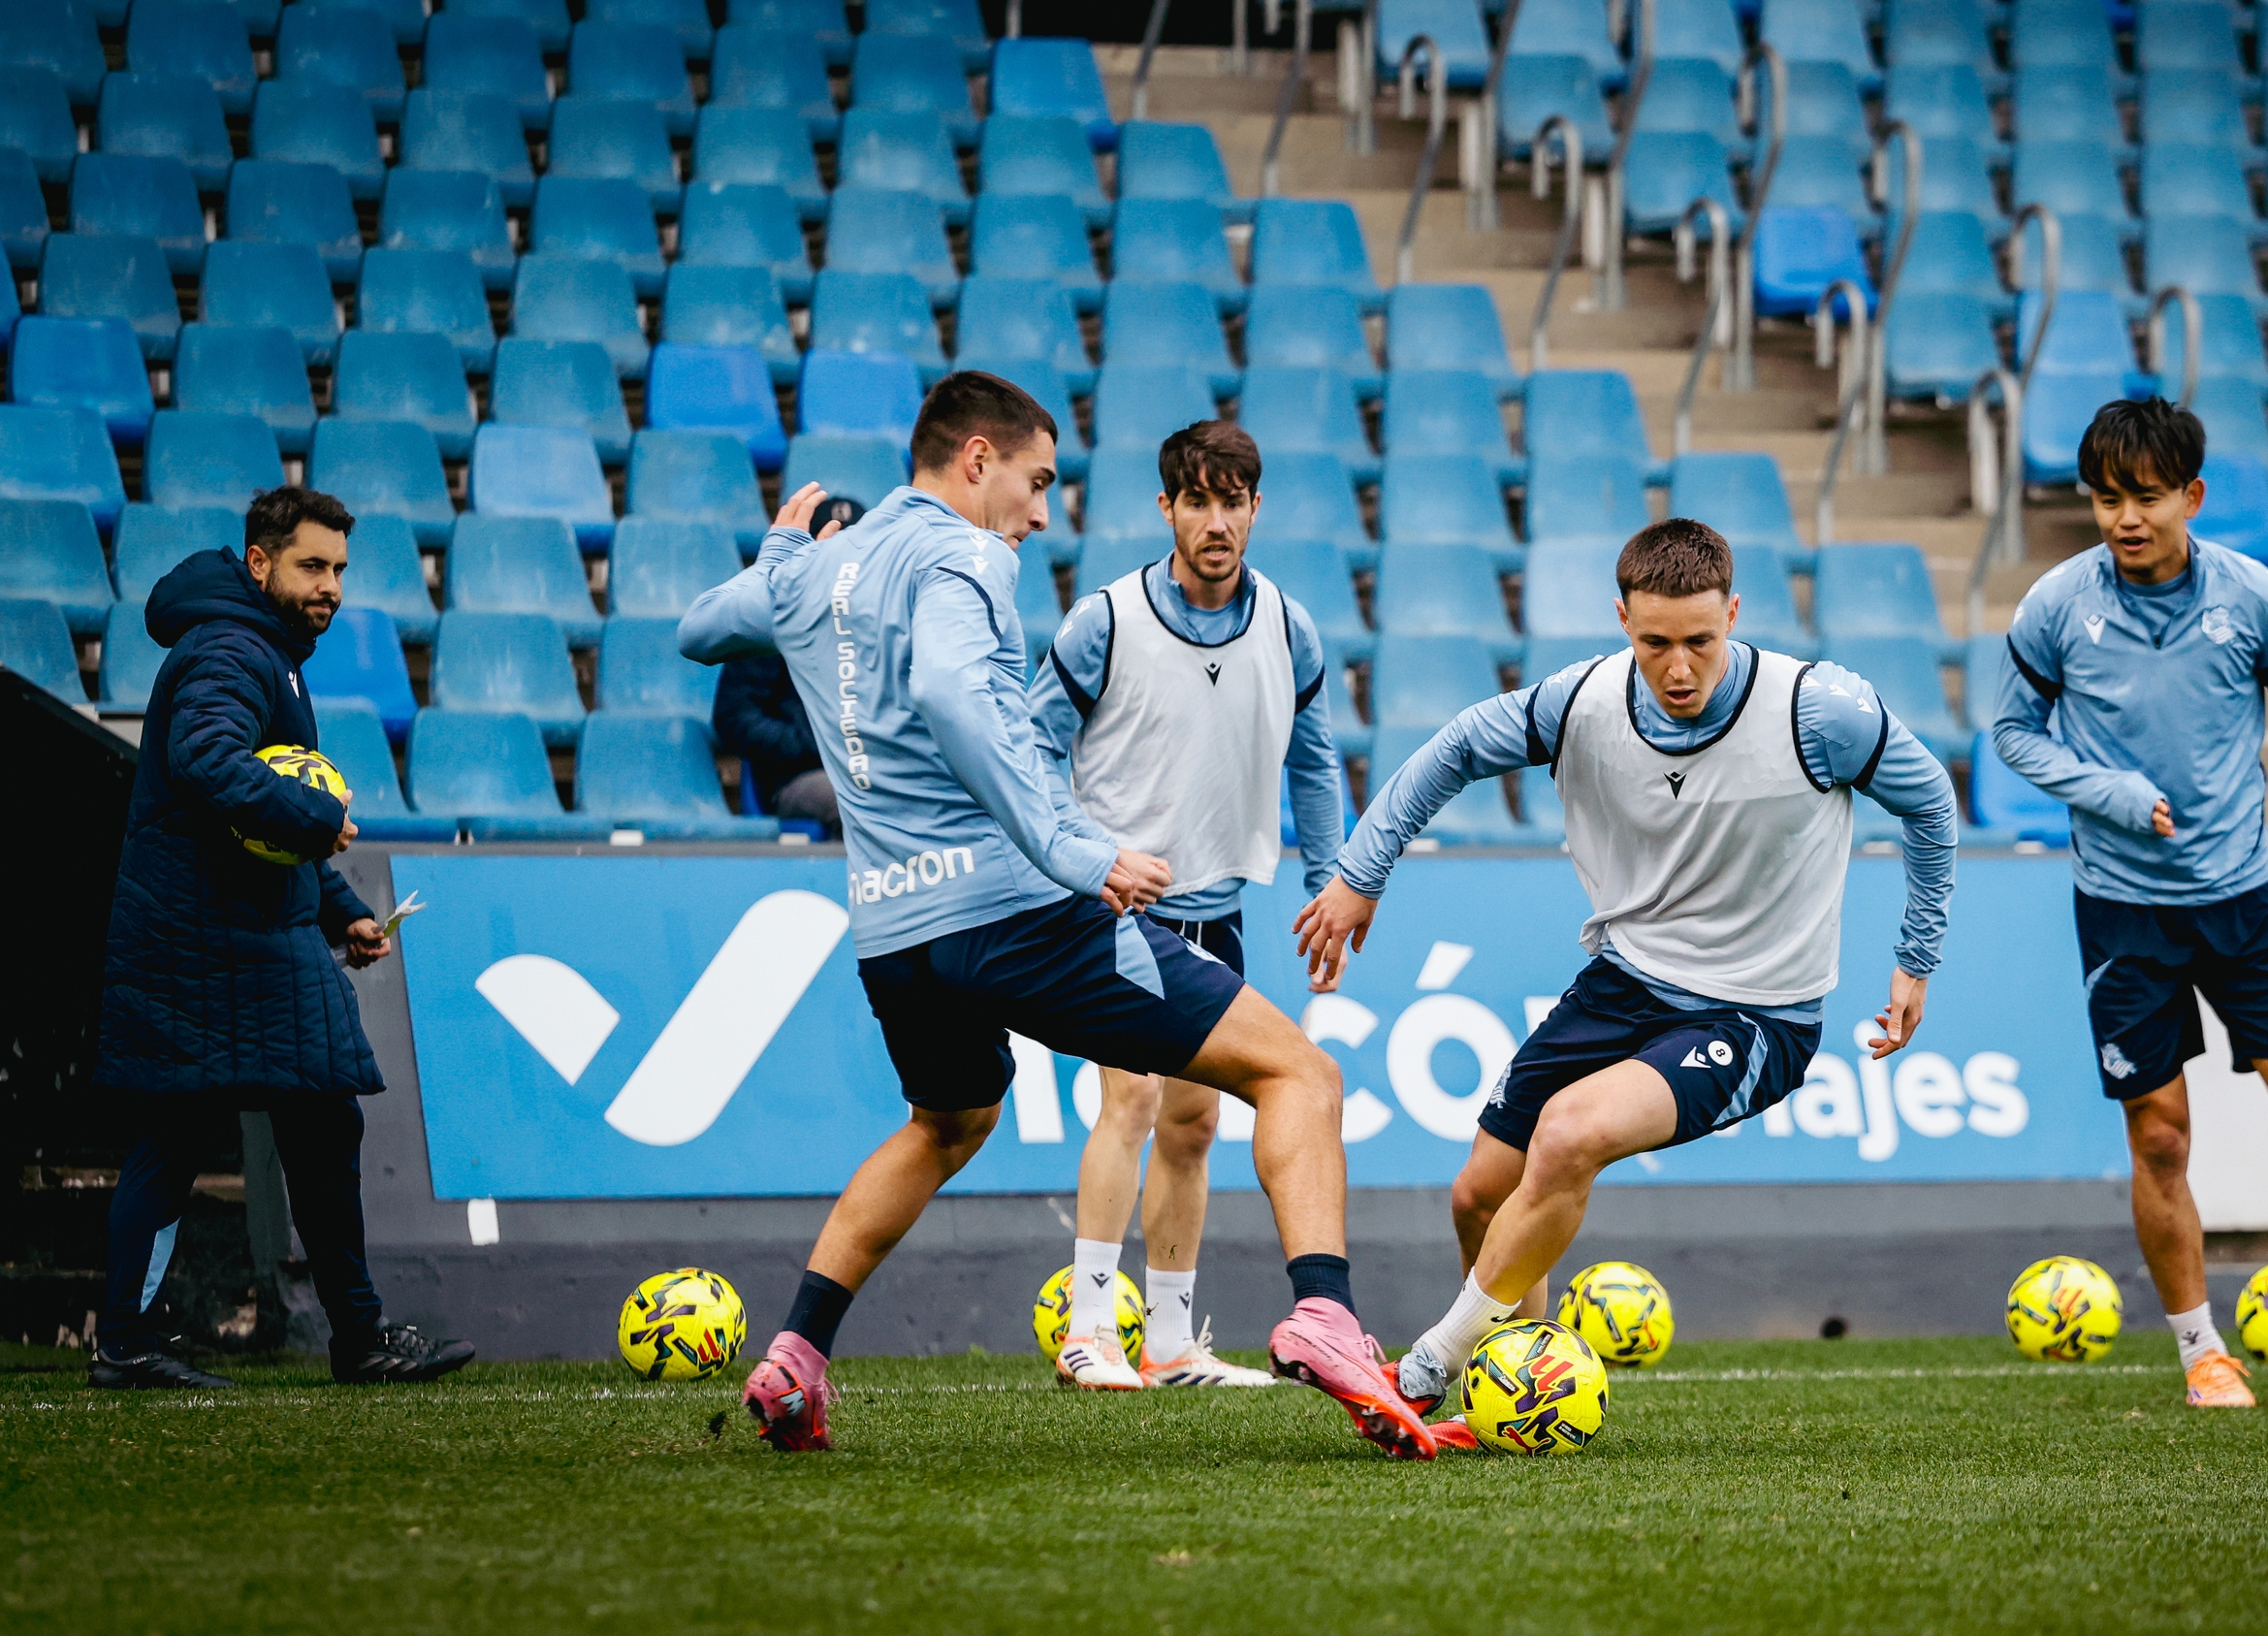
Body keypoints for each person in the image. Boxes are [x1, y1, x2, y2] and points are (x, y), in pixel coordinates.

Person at [677, 372, 1437, 1458]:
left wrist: (782, 562)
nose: (1040, 514)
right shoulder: (968, 555)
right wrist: (1079, 852)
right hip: (1014, 911)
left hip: (893, 930)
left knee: (948, 1123)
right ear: (976, 459)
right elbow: (955, 695)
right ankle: (1323, 1312)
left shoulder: (822, 568)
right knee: (1300, 1076)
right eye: (1035, 482)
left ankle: (796, 1356)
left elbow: (701, 629)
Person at [1294, 519, 1960, 1434]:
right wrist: (1361, 873)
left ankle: (1423, 1370)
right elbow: (1454, 748)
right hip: (1623, 984)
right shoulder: (1584, 701)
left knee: (1570, 1134)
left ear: (1734, 613)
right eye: (1654, 643)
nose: (1678, 668)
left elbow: (1931, 803)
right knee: (1479, 1194)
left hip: (1757, 1014)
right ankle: (1520, 1393)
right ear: (1622, 621)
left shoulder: (1819, 712)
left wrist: (1916, 958)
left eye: (1700, 641)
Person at [1988, 398, 2268, 1409]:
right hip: (2122, 911)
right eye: (2106, 499)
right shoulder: (2056, 606)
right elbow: (2012, 733)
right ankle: (2200, 1351)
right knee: (2161, 1136)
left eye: (2145, 497)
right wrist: (2111, 791)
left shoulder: (2253, 598)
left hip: (2243, 899)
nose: (2125, 518)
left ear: (2191, 495)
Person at [92, 486, 475, 1390]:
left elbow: (253, 832)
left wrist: (339, 907)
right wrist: (315, 816)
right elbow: (207, 760)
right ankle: (131, 1343)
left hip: (242, 933)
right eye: (312, 565)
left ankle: (356, 1336)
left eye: (339, 568)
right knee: (180, 1136)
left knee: (319, 1117)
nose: (331, 584)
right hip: (200, 940)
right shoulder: (231, 647)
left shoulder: (266, 648)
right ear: (260, 563)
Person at [1029, 422, 1345, 1391]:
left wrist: (1330, 881)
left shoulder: (1288, 626)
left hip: (1219, 909)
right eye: (1197, 501)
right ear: (1166, 507)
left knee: (1194, 1125)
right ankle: (1089, 1331)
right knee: (1130, 1098)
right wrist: (1084, 857)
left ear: (1256, 507)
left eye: (1233, 501)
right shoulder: (1105, 620)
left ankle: (1167, 1343)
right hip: (1117, 908)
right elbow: (1031, 748)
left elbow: (1314, 763)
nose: (1216, 521)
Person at [714, 499, 864, 833]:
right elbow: (733, 718)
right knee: (860, 804)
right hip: (800, 776)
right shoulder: (773, 621)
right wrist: (810, 741)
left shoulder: (884, 619)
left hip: (874, 770)